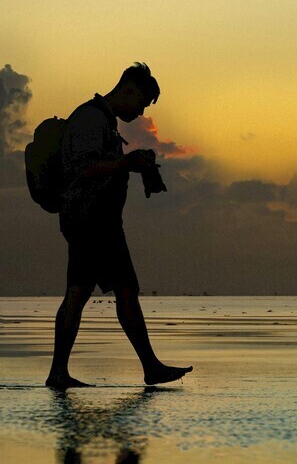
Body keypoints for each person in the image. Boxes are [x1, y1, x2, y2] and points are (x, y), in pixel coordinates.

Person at [46, 62, 192, 389]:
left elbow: (103, 166)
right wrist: (127, 163)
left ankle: (64, 372)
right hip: (91, 222)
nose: (141, 112)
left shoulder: (104, 121)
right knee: (101, 292)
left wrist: (133, 166)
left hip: (99, 222)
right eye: (141, 102)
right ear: (128, 88)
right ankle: (64, 373)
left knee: (100, 292)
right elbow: (84, 169)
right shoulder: (90, 118)